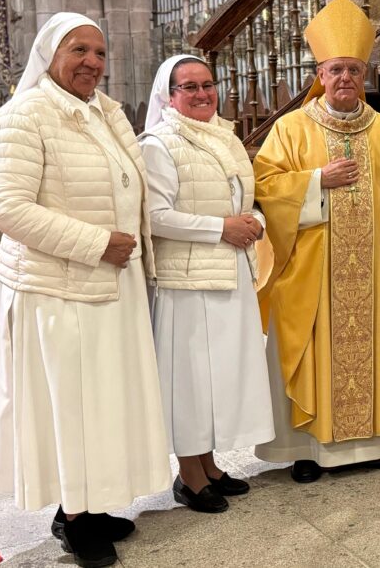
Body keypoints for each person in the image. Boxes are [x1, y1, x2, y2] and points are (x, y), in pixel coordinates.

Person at [0, 13, 170, 568]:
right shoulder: (24, 115)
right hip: (58, 291)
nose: (92, 62)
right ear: (50, 54)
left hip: (109, 284)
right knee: (70, 406)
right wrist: (95, 243)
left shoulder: (102, 115)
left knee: (103, 401)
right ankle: (73, 516)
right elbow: (7, 208)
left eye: (100, 52)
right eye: (79, 50)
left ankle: (92, 502)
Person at [253, 0, 380, 483]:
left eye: (354, 70)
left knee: (371, 347)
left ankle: (375, 443)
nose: (346, 79)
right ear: (321, 73)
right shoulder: (291, 128)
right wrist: (315, 182)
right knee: (313, 352)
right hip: (313, 275)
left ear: (364, 74)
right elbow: (265, 186)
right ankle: (307, 449)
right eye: (336, 70)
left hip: (372, 275)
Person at [140, 55, 275, 513]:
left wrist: (253, 220)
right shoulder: (159, 143)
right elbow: (155, 217)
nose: (201, 94)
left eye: (207, 84)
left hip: (230, 269)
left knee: (220, 377)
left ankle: (210, 463)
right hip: (186, 280)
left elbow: (245, 200)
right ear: (169, 96)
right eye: (189, 87)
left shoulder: (224, 135)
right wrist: (221, 227)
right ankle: (189, 475)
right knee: (191, 379)